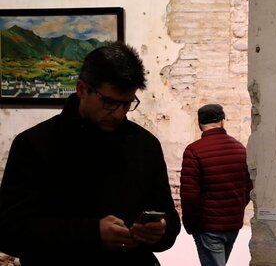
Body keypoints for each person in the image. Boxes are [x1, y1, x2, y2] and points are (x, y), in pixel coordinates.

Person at [0, 41, 181, 266]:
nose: (118, 114)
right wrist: (91, 233)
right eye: (109, 102)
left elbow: (169, 218)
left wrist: (160, 230)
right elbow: (9, 232)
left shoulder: (145, 145)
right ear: (81, 89)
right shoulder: (34, 144)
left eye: (127, 104)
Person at [180, 104, 253, 266]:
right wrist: (236, 209)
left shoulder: (194, 151)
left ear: (199, 124)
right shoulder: (239, 148)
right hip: (233, 224)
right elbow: (248, 186)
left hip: (208, 226)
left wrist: (191, 225)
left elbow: (189, 195)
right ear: (222, 122)